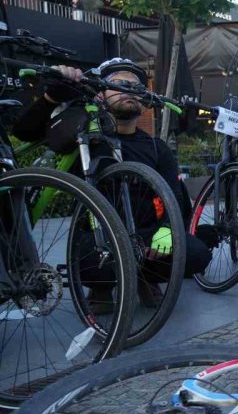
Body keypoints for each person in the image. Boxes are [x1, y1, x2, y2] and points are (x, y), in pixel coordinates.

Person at [12, 58, 211, 308]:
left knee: (196, 254)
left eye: (136, 86)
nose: (129, 90)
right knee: (95, 260)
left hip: (146, 233)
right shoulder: (82, 138)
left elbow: (175, 195)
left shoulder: (156, 148)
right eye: (118, 84)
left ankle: (144, 279)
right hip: (97, 234)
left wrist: (167, 229)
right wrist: (52, 97)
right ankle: (101, 289)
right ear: (99, 95)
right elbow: (24, 132)